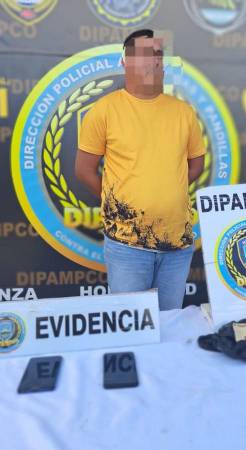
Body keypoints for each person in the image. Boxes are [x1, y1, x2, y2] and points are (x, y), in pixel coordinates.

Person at [75, 29, 206, 310]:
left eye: (159, 54)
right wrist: (119, 202)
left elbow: (196, 163)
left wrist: (168, 189)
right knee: (132, 325)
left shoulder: (183, 112)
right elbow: (84, 169)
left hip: (178, 245)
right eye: (146, 54)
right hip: (127, 246)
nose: (154, 60)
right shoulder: (104, 110)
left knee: (169, 324)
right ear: (126, 62)